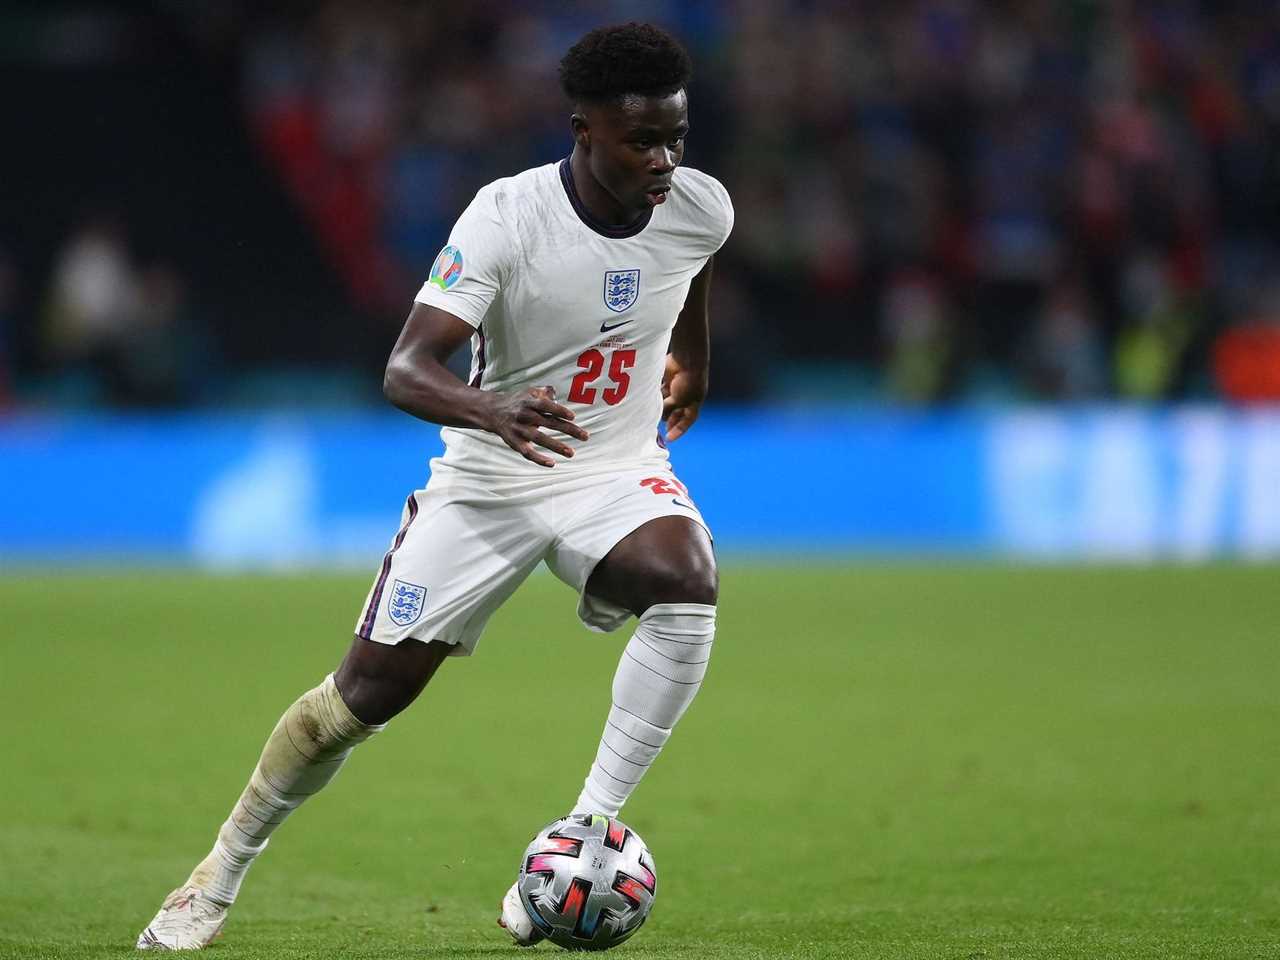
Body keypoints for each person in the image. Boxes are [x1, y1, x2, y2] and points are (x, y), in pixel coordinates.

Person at [137, 21, 733, 950]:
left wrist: (690, 362)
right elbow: (406, 369)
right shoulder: (507, 216)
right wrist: (493, 412)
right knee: (363, 697)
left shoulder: (700, 205)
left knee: (688, 578)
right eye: (642, 140)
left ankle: (578, 836)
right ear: (584, 129)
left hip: (613, 469)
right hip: (491, 477)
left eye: (676, 138)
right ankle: (220, 869)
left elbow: (691, 268)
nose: (663, 159)